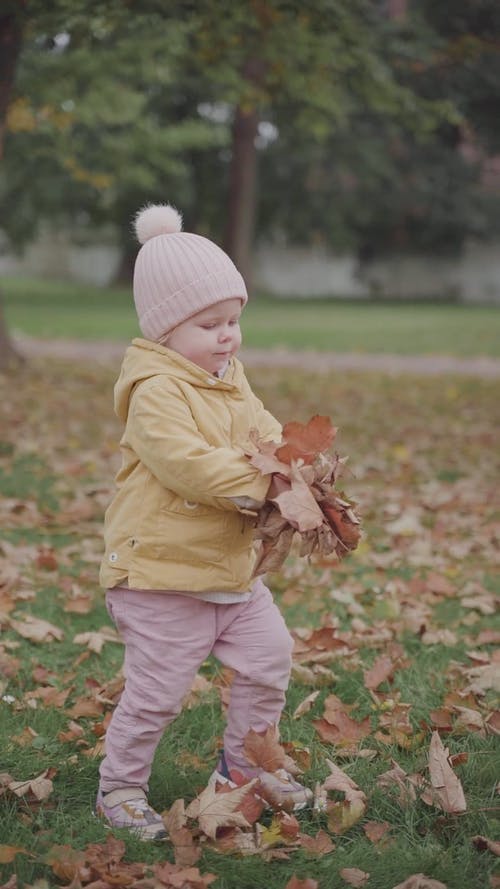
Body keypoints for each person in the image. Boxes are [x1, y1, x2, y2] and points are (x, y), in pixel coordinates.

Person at [95, 203, 313, 841]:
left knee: (269, 658)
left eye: (234, 320)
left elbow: (264, 432)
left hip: (232, 573)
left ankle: (244, 769)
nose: (228, 335)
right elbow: (188, 466)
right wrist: (265, 483)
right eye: (210, 324)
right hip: (161, 576)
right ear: (164, 331)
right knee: (158, 691)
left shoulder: (228, 378)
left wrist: (297, 468)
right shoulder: (156, 391)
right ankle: (120, 788)